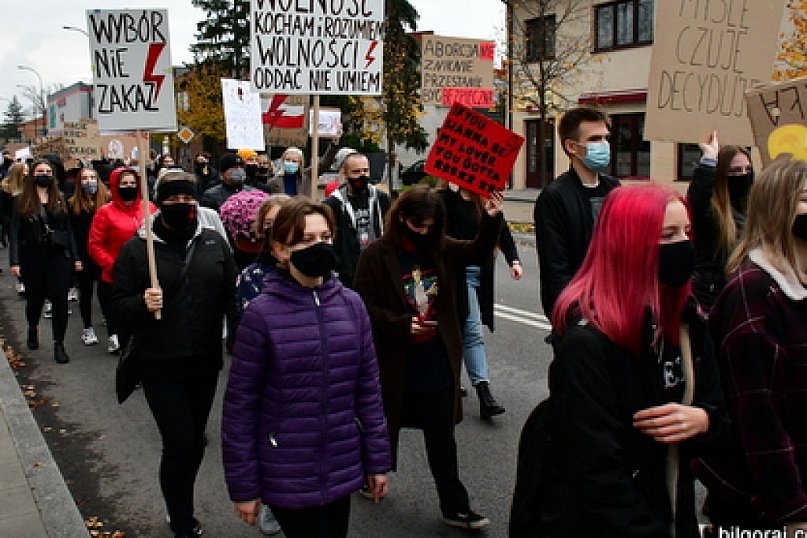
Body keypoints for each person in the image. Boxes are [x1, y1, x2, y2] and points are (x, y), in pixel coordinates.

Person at [540, 184, 727, 536]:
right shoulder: (586, 346)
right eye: (668, 234)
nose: (684, 244)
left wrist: (704, 419)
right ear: (630, 243)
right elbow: (595, 473)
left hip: (674, 507)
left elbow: (718, 409)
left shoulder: (686, 322)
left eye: (687, 232)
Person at [222, 198, 390, 538]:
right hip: (286, 469)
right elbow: (240, 407)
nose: (319, 247)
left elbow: (369, 391)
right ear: (281, 250)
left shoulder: (352, 305)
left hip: (342, 464)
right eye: (306, 240)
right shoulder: (261, 314)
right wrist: (244, 487)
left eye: (325, 237)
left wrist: (377, 461)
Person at [353, 185, 505, 530]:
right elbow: (362, 305)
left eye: (430, 225)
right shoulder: (376, 255)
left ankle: (455, 506)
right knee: (382, 425)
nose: (422, 232)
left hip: (435, 360)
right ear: (401, 218)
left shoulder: (441, 248)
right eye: (416, 225)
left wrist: (492, 218)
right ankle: (369, 472)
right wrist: (401, 325)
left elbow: (478, 251)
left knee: (442, 438)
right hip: (395, 362)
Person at [113, 177, 237, 538]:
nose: (182, 203)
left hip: (204, 359)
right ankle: (180, 515)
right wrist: (141, 303)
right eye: (173, 198)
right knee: (179, 440)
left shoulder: (214, 243)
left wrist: (240, 338)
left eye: (188, 197)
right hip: (159, 361)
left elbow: (230, 294)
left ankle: (181, 493)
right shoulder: (139, 250)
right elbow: (117, 305)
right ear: (159, 204)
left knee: (196, 439)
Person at [693, 156, 807, 531]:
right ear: (778, 209)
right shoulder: (754, 294)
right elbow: (758, 418)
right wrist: (792, 514)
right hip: (764, 507)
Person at [439, 183, 523, 418]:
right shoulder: (444, 200)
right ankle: (483, 391)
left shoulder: (484, 201)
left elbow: (501, 230)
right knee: (470, 329)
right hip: (455, 275)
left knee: (464, 329)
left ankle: (455, 381)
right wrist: (451, 192)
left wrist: (514, 260)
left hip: (479, 275)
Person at [533, 106, 620, 317]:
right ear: (572, 146)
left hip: (615, 307)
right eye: (594, 139)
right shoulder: (555, 196)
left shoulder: (614, 189)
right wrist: (570, 317)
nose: (604, 145)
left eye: (606, 138)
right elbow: (555, 269)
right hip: (580, 313)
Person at [9, 159, 81, 364]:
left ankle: (59, 343)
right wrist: (15, 261)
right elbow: (15, 233)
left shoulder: (60, 199)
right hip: (33, 256)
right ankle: (33, 327)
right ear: (32, 174)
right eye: (40, 171)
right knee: (35, 300)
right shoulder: (21, 200)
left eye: (48, 171)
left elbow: (69, 231)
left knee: (60, 300)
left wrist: (75, 258)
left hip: (58, 256)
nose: (44, 174)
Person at [88, 167, 156, 354]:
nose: (129, 186)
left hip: (146, 275)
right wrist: (113, 266)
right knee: (124, 325)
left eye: (133, 183)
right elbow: (95, 245)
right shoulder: (105, 212)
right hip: (115, 277)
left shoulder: (149, 209)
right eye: (124, 183)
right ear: (116, 186)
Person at [686, 131, 754, 311]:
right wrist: (709, 159)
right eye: (734, 171)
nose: (743, 175)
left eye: (747, 169)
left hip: (745, 294)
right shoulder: (712, 212)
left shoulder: (754, 209)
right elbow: (699, 197)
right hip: (714, 297)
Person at [324, 152, 391, 288]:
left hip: (377, 266)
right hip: (347, 273)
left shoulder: (380, 199)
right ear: (345, 174)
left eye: (365, 171)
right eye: (356, 172)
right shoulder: (333, 204)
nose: (362, 175)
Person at [68, 166, 110, 346]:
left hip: (103, 254)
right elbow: (71, 234)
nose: (89, 181)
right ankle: (87, 327)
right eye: (84, 178)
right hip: (84, 255)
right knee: (85, 293)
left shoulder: (107, 201)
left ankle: (111, 324)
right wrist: (75, 258)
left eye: (92, 177)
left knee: (106, 292)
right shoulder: (72, 204)